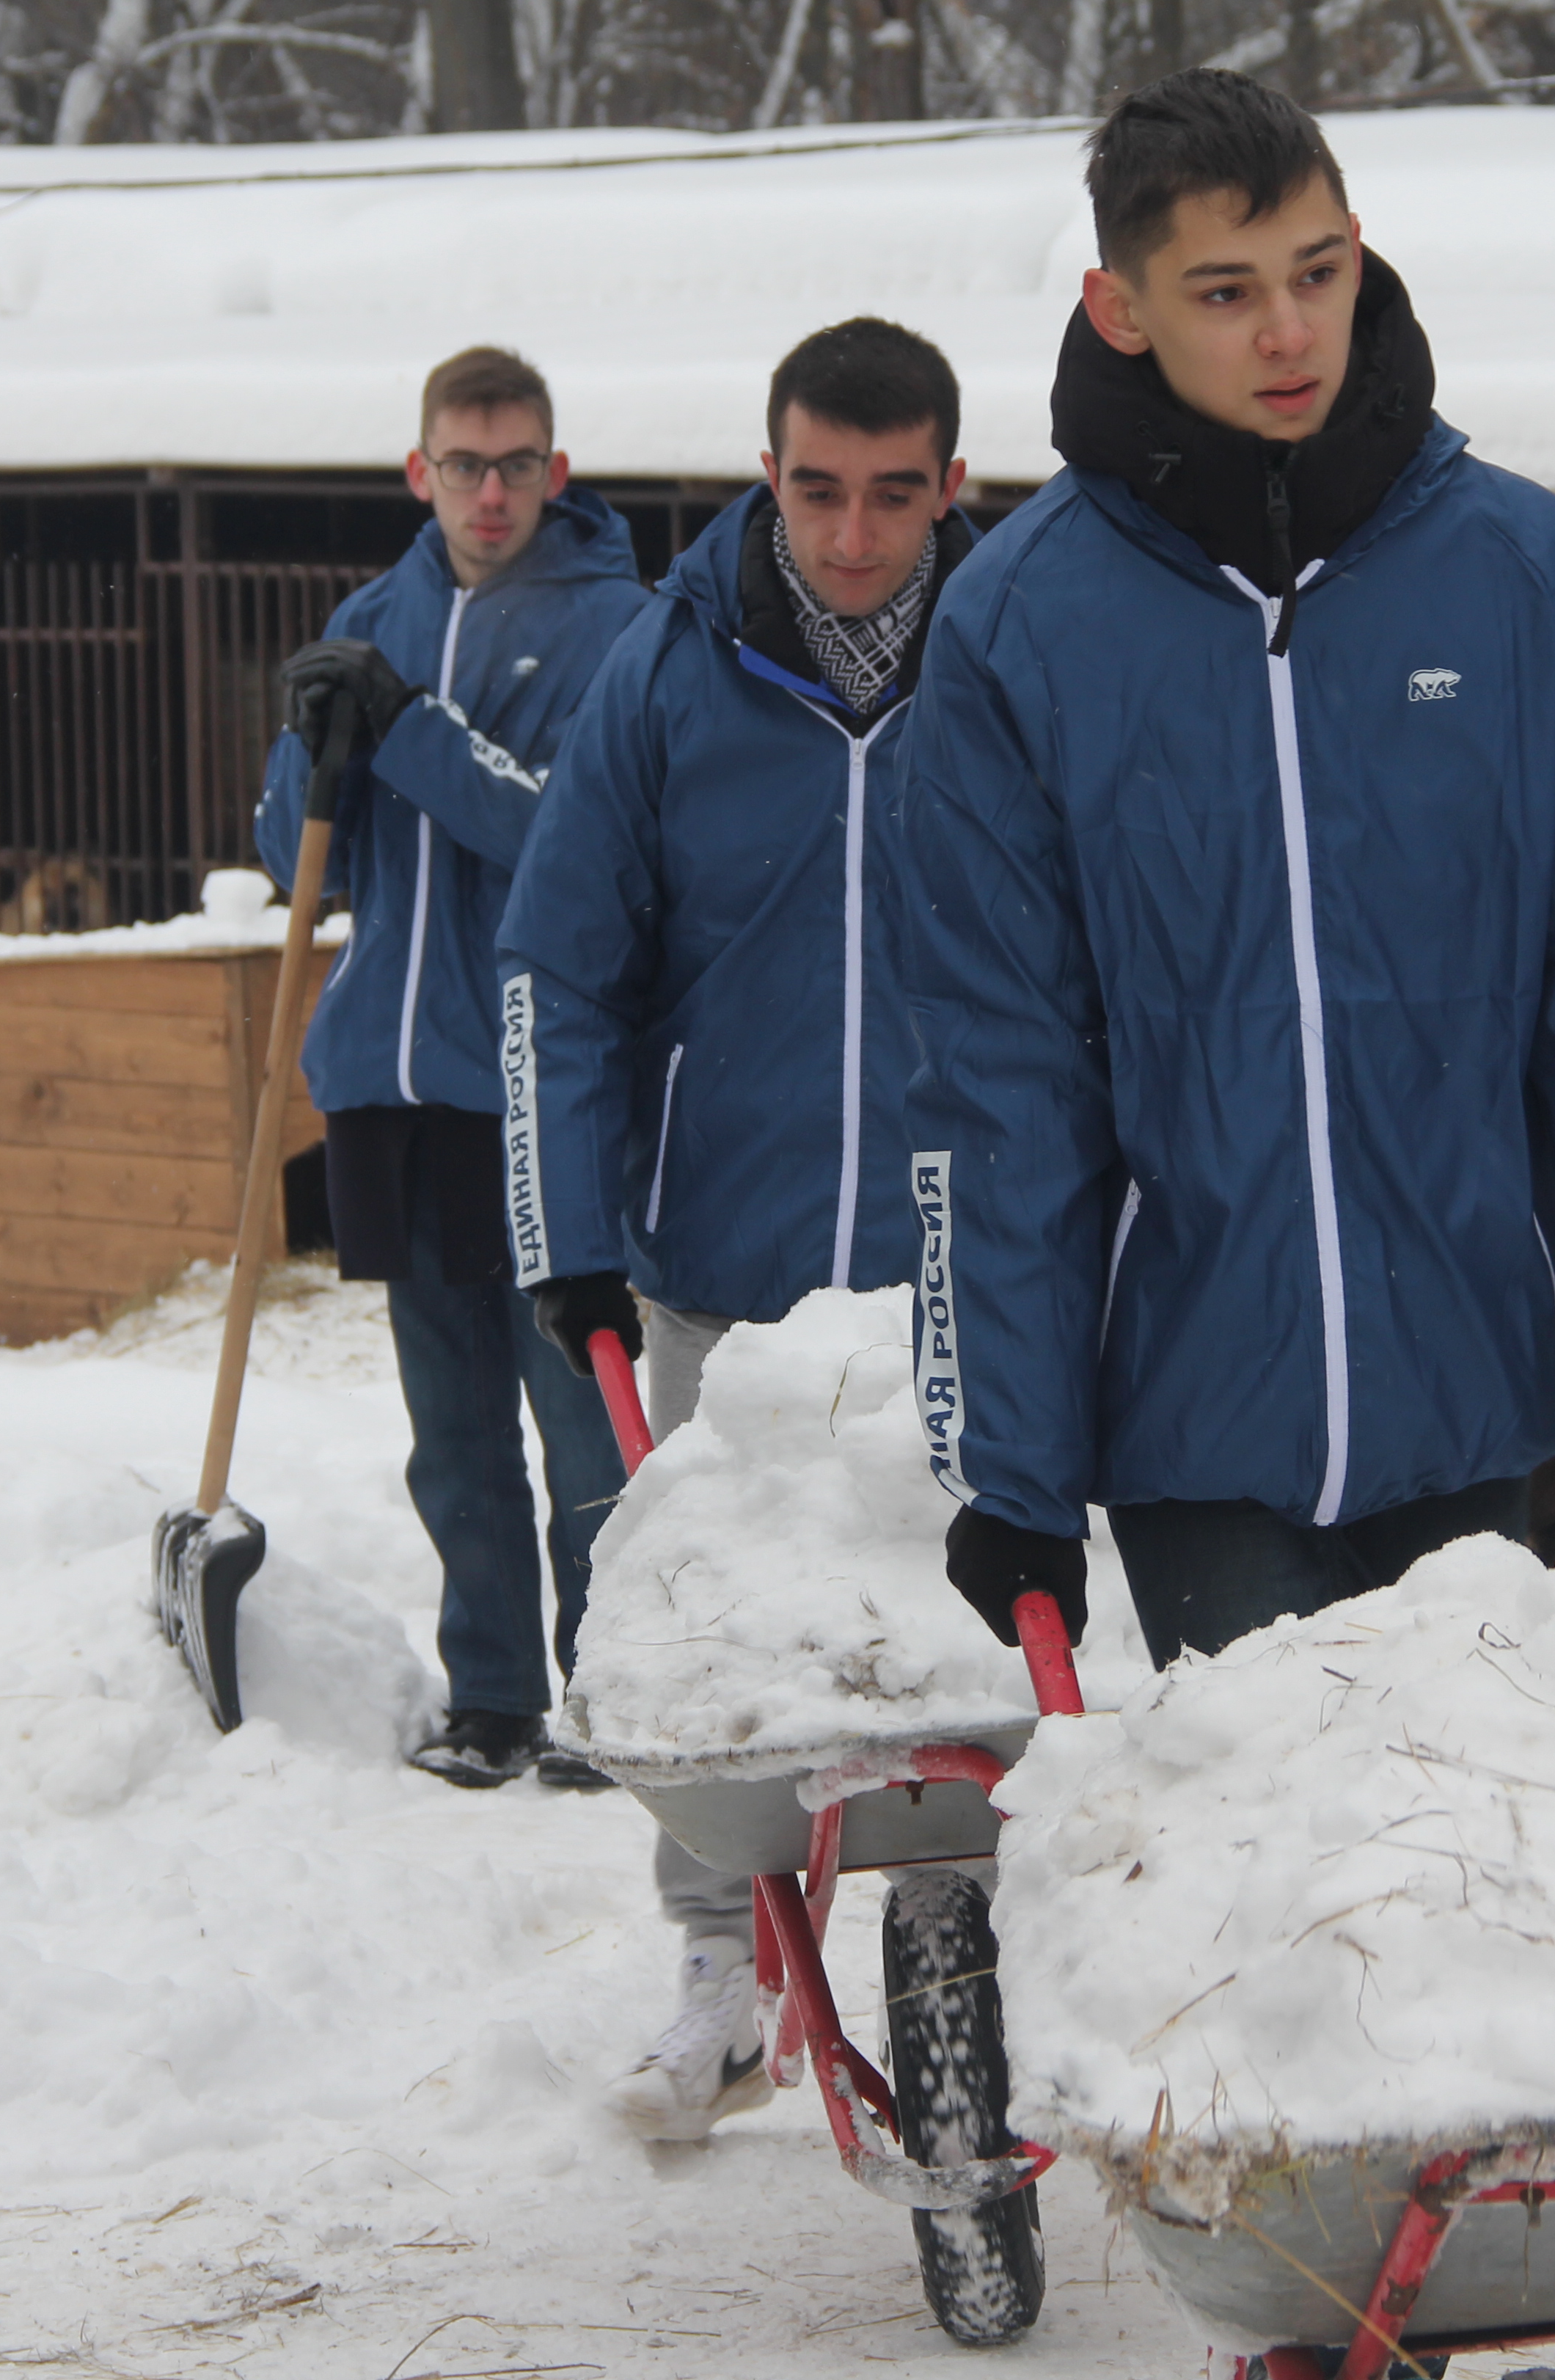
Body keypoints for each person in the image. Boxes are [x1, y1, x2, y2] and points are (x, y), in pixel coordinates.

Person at [893, 69, 1555, 1678]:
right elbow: (1000, 1087)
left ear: (1361, 252)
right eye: (1226, 294)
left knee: (1457, 1878)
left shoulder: (1520, 577)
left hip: (1479, 1395)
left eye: (1318, 273)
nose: (1290, 332)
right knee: (1284, 1885)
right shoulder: (1023, 628)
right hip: (1192, 1420)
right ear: (1124, 306)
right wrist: (1012, 1472)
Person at [497, 317, 978, 2141]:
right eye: (817, 489)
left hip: (964, 1262)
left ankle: (969, 1945)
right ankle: (719, 1957)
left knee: (963, 1648)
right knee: (713, 1645)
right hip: (728, 1252)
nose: (853, 539)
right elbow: (561, 962)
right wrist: (568, 1226)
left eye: (894, 494)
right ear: (767, 470)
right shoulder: (664, 669)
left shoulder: (1013, 665)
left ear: (954, 483)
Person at [261, 346, 650, 1791]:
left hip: (537, 1085)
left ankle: (610, 1688)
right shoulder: (374, 614)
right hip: (390, 1077)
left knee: (578, 1417)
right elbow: (283, 849)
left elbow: (574, 841)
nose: (492, 493)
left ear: (557, 469)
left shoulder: (618, 628)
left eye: (519, 464)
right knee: (452, 1426)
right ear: (417, 470)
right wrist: (320, 762)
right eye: (464, 465)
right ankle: (491, 1692)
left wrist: (413, 733)